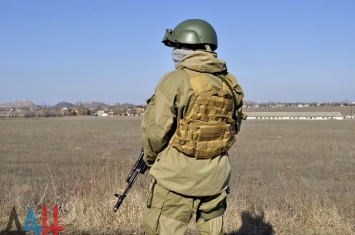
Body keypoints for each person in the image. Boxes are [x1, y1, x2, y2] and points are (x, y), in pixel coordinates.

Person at [140, 19, 246, 235]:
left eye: (178, 46)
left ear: (187, 47)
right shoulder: (229, 82)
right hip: (216, 180)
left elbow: (154, 131)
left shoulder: (175, 80)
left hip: (176, 181)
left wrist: (152, 161)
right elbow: (233, 127)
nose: (175, 52)